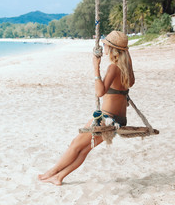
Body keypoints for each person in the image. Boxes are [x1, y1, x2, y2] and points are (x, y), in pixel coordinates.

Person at [38, 31, 135, 186]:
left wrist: (95, 67)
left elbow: (100, 92)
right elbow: (131, 84)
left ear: (112, 48)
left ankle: (51, 173)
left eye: (106, 45)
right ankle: (59, 177)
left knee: (76, 144)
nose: (104, 47)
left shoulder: (113, 68)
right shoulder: (127, 68)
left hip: (107, 118)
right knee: (84, 149)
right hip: (120, 119)